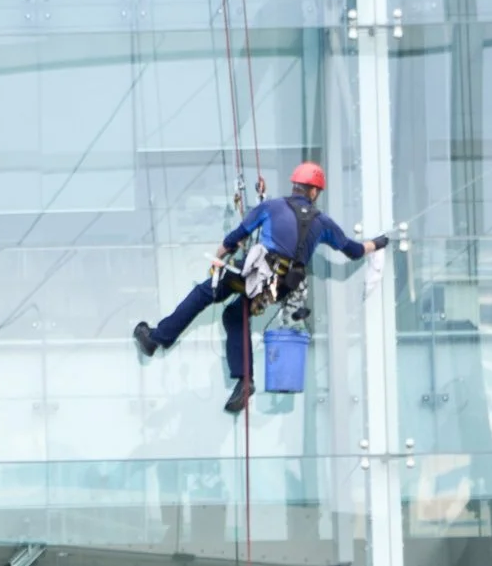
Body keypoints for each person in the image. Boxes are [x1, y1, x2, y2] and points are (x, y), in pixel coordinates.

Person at [134, 162, 388, 413]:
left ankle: (156, 339)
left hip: (252, 275)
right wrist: (378, 243)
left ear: (296, 187)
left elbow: (233, 239)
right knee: (235, 315)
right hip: (280, 287)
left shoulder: (271, 206)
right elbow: (353, 251)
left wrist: (217, 260)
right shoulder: (323, 223)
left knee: (204, 293)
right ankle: (245, 381)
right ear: (313, 192)